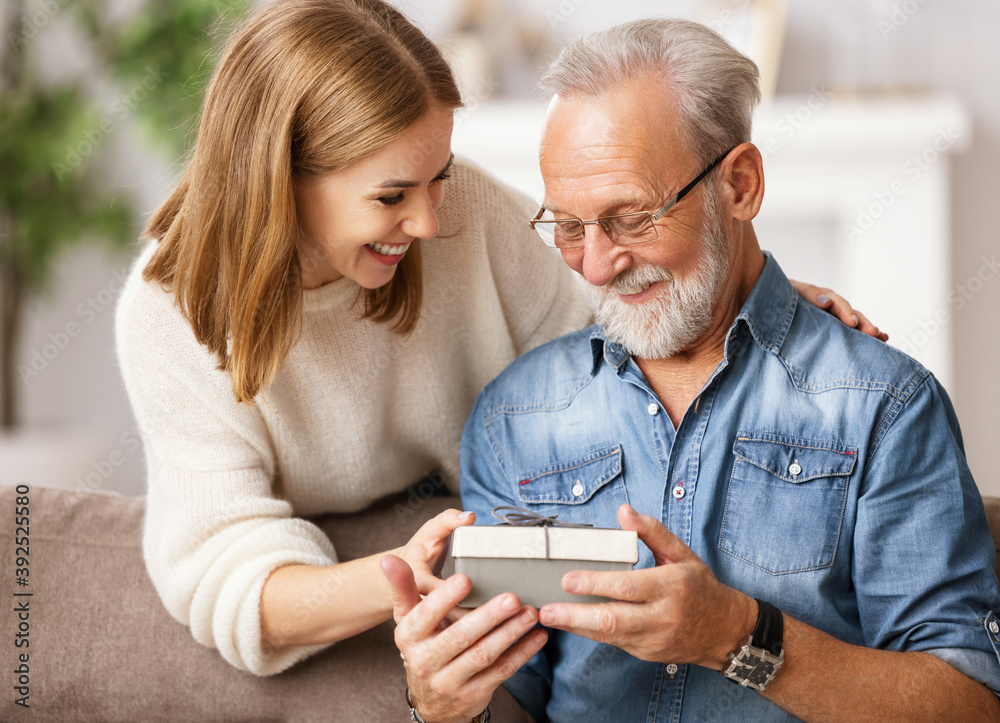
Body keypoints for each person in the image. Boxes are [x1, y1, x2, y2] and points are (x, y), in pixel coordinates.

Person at [115, 0, 881, 680]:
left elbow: (605, 304)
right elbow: (226, 574)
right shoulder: (168, 311)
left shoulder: (463, 213)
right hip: (363, 587)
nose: (428, 222)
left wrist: (741, 295)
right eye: (391, 196)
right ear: (279, 179)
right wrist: (413, 571)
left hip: (480, 529)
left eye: (438, 176)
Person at [382, 17, 1000, 723]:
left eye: (632, 217)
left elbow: (970, 702)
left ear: (739, 185)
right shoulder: (514, 415)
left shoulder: (883, 405)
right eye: (569, 225)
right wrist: (442, 704)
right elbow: (512, 697)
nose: (595, 263)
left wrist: (739, 634)